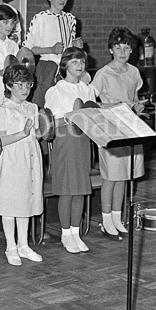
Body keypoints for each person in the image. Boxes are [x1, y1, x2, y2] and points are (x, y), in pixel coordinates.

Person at [90, 28, 146, 241]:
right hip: (110, 128)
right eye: (118, 47)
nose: (122, 51)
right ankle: (105, 221)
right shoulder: (103, 74)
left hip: (129, 127)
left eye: (127, 48)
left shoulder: (133, 72)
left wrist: (137, 106)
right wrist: (114, 105)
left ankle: (117, 218)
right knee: (110, 177)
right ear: (110, 49)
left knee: (124, 175)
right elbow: (91, 102)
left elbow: (134, 97)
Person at [44, 47, 98, 253]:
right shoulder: (56, 91)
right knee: (67, 189)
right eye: (75, 62)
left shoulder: (88, 89)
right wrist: (70, 117)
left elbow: (93, 113)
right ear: (65, 65)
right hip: (65, 140)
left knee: (81, 189)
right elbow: (50, 123)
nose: (80, 66)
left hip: (84, 141)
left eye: (82, 62)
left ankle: (76, 232)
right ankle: (66, 234)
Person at [0, 65, 43, 266]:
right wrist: (21, 134)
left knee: (26, 199)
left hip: (30, 157)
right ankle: (10, 246)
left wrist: (41, 132)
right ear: (8, 85)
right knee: (10, 201)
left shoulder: (32, 108)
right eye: (20, 85)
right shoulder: (2, 109)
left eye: (28, 85)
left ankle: (24, 245)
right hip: (12, 158)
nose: (25, 89)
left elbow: (36, 134)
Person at [25, 0, 83, 108]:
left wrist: (75, 46)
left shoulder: (71, 19)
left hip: (67, 70)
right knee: (42, 107)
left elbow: (69, 48)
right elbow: (28, 50)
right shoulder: (40, 18)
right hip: (47, 69)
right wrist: (50, 49)